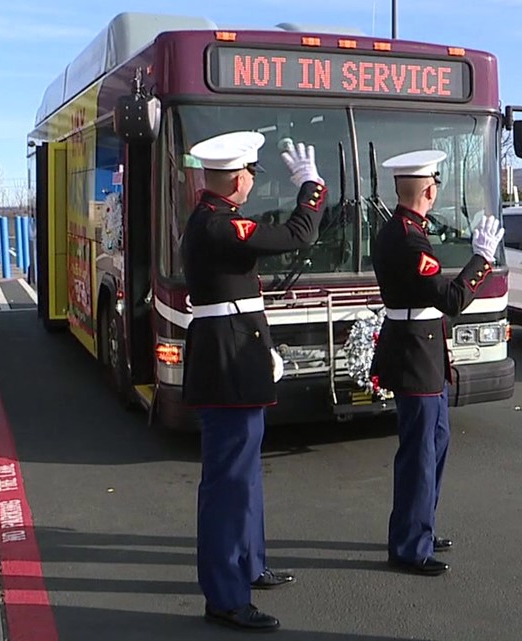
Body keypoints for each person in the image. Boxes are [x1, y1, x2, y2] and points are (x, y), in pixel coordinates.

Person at [180, 130, 328, 632]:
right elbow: (296, 236)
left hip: (237, 355)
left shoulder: (213, 220)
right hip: (228, 365)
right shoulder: (219, 225)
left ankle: (248, 563)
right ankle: (225, 596)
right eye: (250, 174)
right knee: (228, 484)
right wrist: (311, 188)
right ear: (238, 177)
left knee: (245, 476)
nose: (250, 181)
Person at [369, 149, 505, 576]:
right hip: (416, 354)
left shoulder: (401, 230)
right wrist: (482, 259)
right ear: (429, 190)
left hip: (420, 348)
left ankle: (420, 526)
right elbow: (451, 300)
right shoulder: (409, 238)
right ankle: (410, 545)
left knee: (436, 441)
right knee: (420, 452)